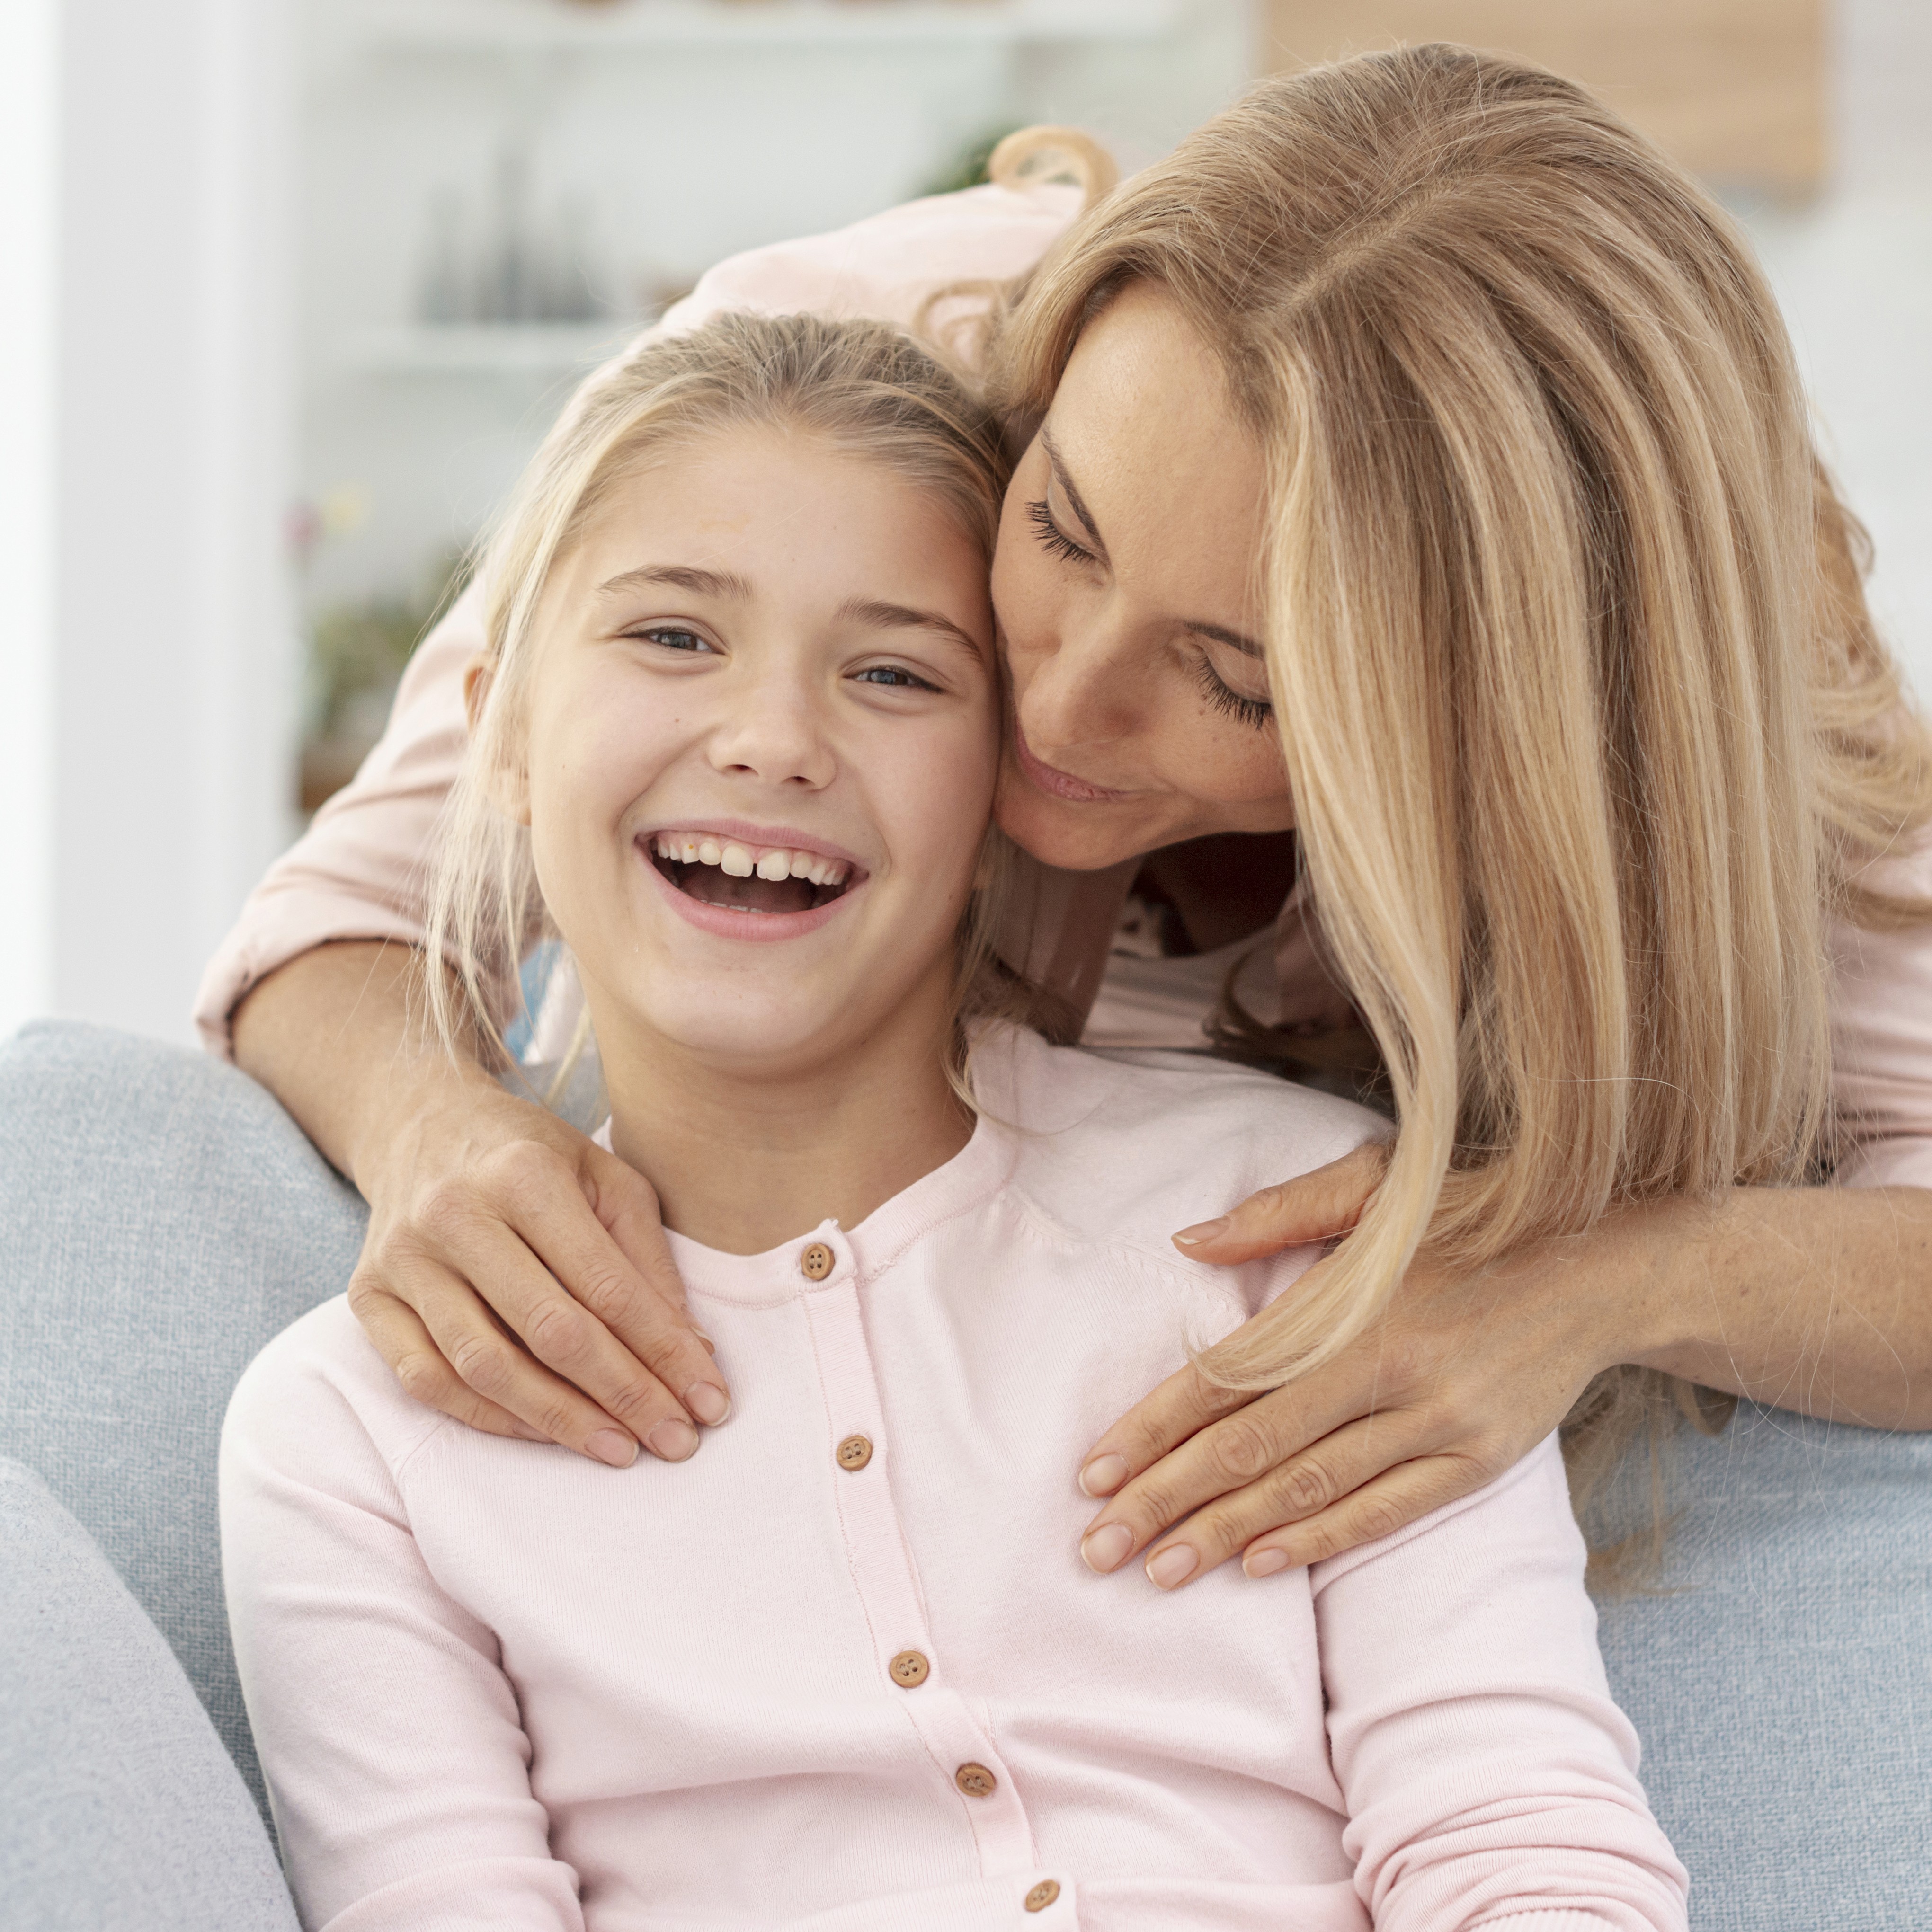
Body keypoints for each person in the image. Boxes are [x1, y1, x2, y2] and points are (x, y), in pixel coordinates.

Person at [204, 46, 1932, 1592]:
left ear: (1502, 740)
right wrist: (435, 1123)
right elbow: (335, 919)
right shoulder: (837, 373)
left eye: (1240, 681)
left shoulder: (1741, 686)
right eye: (1062, 530)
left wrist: (1616, 1279)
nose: (1058, 702)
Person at [219, 308, 1688, 1931]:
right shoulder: (353, 1434)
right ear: (495, 733)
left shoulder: (1295, 1224)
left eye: (896, 673)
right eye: (671, 637)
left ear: (1007, 792)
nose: (772, 738)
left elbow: (1524, 1848)